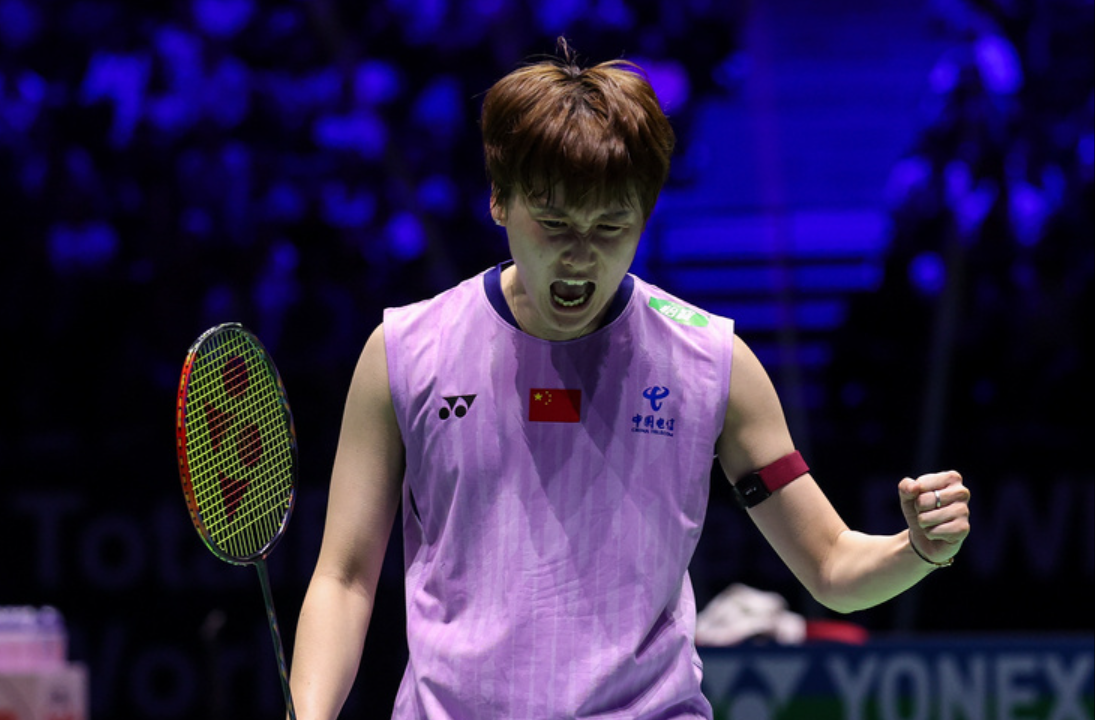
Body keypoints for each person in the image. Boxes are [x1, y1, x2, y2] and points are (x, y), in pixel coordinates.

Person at [288, 40, 971, 719]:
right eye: (553, 223)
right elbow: (344, 579)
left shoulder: (712, 364)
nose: (579, 256)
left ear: (644, 217)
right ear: (499, 199)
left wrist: (917, 549)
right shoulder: (406, 352)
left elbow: (831, 567)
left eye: (610, 227)